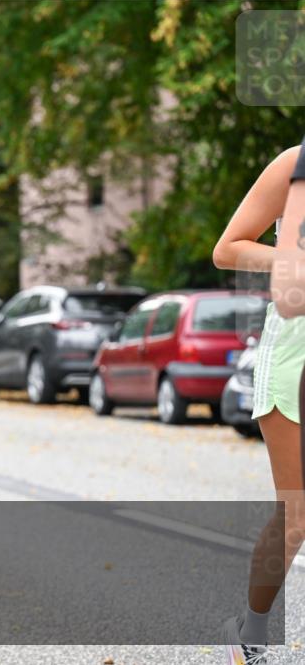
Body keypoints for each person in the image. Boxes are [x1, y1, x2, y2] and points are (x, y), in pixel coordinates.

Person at [213, 141, 305, 665]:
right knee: (297, 513)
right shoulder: (293, 163)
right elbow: (228, 249)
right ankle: (250, 631)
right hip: (293, 348)